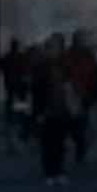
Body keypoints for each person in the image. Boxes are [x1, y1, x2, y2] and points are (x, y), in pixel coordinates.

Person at [32, 34, 71, 184]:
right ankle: (49, 172)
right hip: (47, 111)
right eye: (54, 48)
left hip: (61, 110)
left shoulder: (63, 66)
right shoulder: (41, 67)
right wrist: (38, 113)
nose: (56, 51)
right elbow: (36, 92)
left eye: (59, 47)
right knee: (48, 144)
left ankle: (59, 170)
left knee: (60, 144)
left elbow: (69, 88)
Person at [64, 32, 97, 166]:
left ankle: (81, 150)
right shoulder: (68, 55)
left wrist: (95, 92)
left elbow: (95, 75)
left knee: (80, 123)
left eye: (81, 40)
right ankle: (81, 144)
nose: (79, 43)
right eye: (77, 40)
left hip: (85, 94)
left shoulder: (89, 56)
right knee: (74, 124)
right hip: (71, 95)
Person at [0, 36, 30, 126]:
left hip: (12, 82)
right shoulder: (19, 56)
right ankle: (17, 117)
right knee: (18, 100)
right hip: (16, 82)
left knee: (13, 100)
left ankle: (12, 117)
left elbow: (2, 68)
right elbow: (24, 68)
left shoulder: (8, 56)